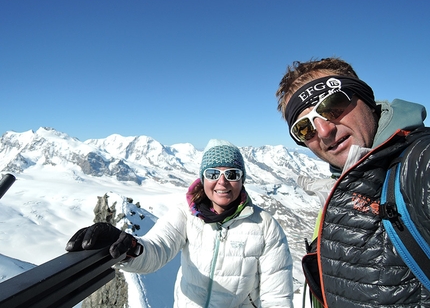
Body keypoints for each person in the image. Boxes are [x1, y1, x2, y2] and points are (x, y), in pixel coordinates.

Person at [275, 57, 430, 307]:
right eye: (305, 128)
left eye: (332, 106)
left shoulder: (420, 163)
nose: (324, 131)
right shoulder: (340, 191)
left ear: (365, 99)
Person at [66, 139, 294, 308]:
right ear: (202, 179)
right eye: (213, 173)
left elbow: (277, 298)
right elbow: (157, 249)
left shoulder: (265, 227)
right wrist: (129, 248)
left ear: (242, 180)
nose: (222, 182)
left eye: (232, 174)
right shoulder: (187, 214)